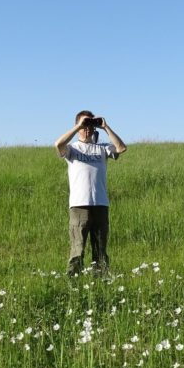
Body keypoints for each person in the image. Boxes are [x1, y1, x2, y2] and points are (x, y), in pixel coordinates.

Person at [55, 110, 128, 276]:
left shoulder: (102, 148)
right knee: (78, 248)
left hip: (101, 203)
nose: (87, 128)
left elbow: (121, 148)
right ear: (78, 126)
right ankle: (73, 281)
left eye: (90, 124)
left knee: (100, 249)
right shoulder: (72, 149)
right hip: (79, 205)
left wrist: (105, 127)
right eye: (84, 124)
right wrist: (78, 126)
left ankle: (101, 281)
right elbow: (58, 144)